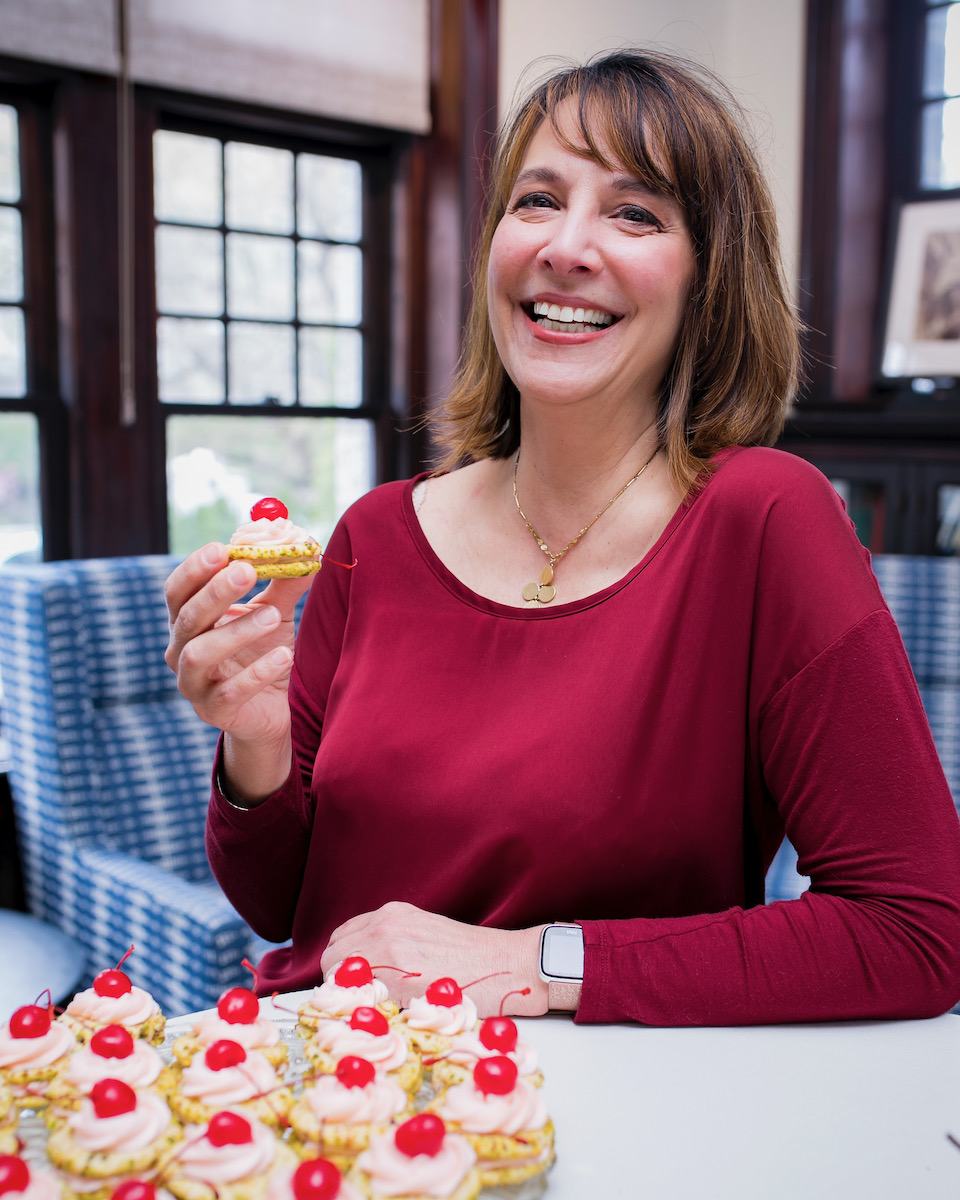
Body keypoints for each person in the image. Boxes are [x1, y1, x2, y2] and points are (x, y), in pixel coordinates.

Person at [165, 48, 960, 1025]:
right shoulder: (373, 534)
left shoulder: (765, 521)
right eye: (537, 200)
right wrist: (256, 749)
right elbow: (285, 907)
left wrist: (532, 963)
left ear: (708, 280)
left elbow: (914, 930)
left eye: (635, 213)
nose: (567, 247)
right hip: (334, 1092)